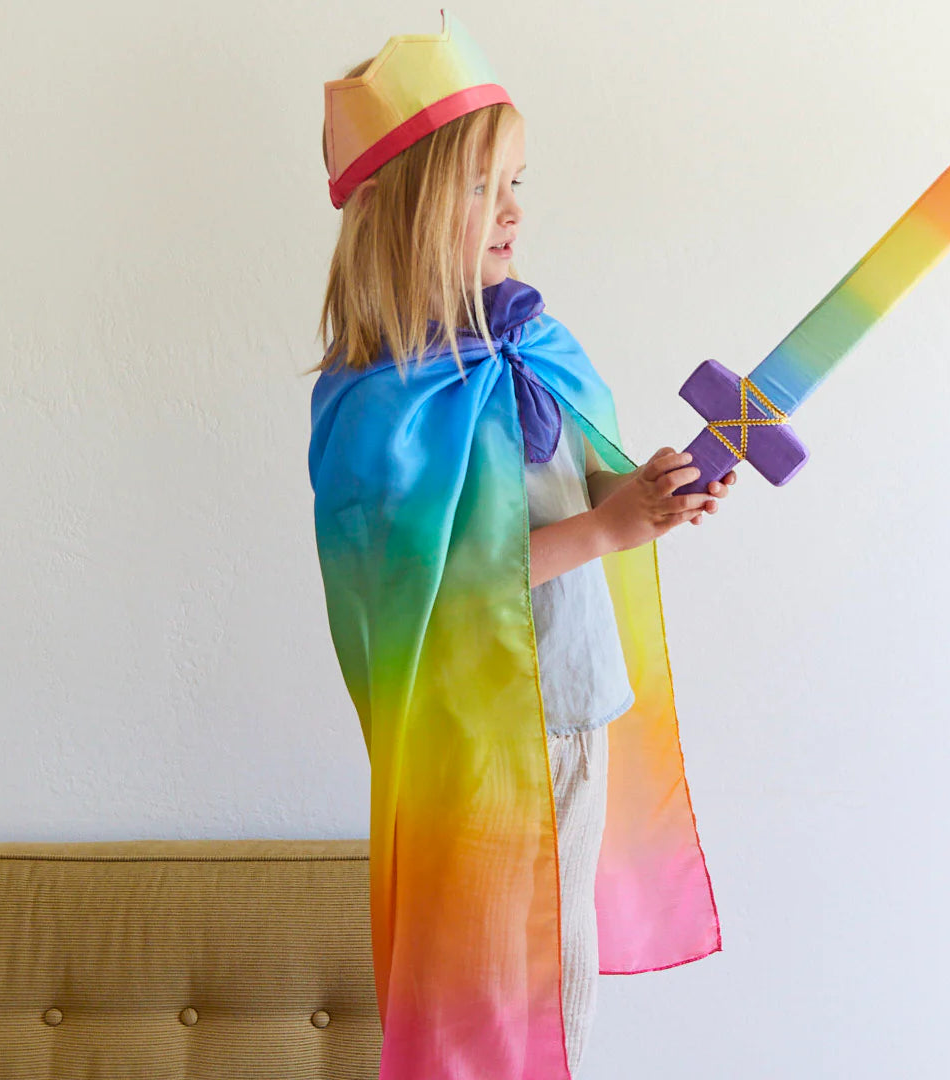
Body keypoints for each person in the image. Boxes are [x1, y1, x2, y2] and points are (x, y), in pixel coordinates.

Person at [308, 11, 735, 1079]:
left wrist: (650, 494)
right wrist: (603, 529)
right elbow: (429, 590)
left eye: (517, 182)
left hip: (576, 703)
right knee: (489, 976)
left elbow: (588, 476)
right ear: (400, 211)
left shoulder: (535, 340)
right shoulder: (377, 404)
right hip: (478, 735)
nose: (513, 211)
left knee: (562, 964)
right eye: (480, 186)